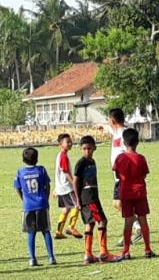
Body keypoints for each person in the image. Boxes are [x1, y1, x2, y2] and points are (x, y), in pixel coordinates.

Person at [73, 135, 121, 264]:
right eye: (84, 148)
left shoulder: (92, 162)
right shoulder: (81, 162)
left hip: (93, 196)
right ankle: (103, 253)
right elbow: (76, 181)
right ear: (80, 149)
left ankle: (88, 255)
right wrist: (78, 200)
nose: (87, 151)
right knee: (102, 221)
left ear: (94, 148)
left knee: (91, 223)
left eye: (89, 148)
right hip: (88, 197)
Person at [100, 108, 141, 246]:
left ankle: (137, 228)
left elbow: (129, 154)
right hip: (118, 177)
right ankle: (137, 227)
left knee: (120, 205)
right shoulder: (116, 131)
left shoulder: (124, 134)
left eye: (108, 120)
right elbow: (109, 129)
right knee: (119, 204)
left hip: (123, 177)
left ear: (112, 120)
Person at [113, 128, 155, 259]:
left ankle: (126, 251)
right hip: (140, 192)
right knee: (143, 219)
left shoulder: (120, 158)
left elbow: (117, 174)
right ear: (137, 142)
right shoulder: (141, 158)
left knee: (128, 221)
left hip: (125, 193)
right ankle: (147, 249)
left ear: (124, 142)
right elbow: (144, 174)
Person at [14, 148, 56, 266]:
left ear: (23, 159)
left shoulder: (20, 172)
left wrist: (24, 199)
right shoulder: (41, 170)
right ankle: (51, 257)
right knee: (46, 231)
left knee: (31, 232)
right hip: (41, 204)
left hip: (28, 206)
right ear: (37, 158)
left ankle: (32, 259)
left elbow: (17, 188)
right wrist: (46, 199)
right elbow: (47, 186)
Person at [54, 133, 82, 239]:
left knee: (66, 209)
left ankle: (58, 232)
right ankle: (71, 227)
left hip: (61, 187)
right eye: (68, 142)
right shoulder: (63, 156)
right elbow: (66, 172)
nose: (70, 143)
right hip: (67, 187)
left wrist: (56, 188)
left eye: (71, 141)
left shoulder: (59, 155)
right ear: (61, 144)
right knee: (77, 206)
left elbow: (58, 173)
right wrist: (74, 183)